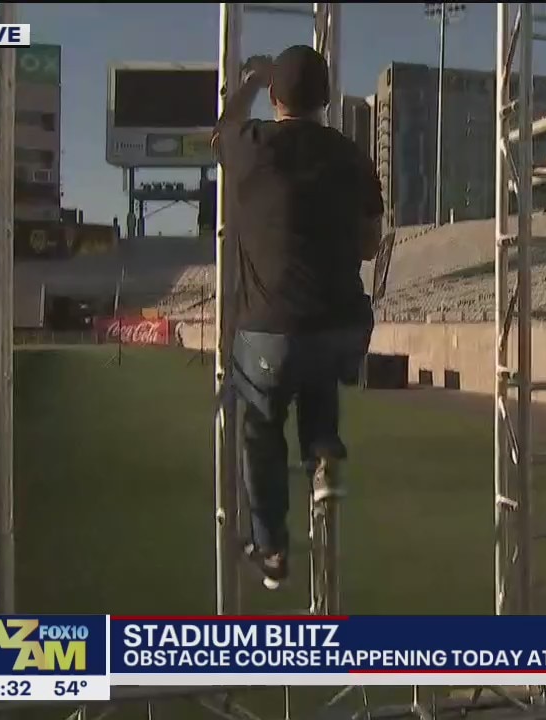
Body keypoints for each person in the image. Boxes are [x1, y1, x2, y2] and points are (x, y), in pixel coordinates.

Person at [212, 46, 383, 589]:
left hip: (271, 331)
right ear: (325, 98)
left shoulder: (254, 145)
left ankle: (272, 549)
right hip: (344, 328)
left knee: (261, 425)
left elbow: (220, 131)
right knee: (318, 365)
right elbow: (371, 245)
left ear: (274, 97)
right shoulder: (353, 155)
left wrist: (251, 79)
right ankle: (323, 451)